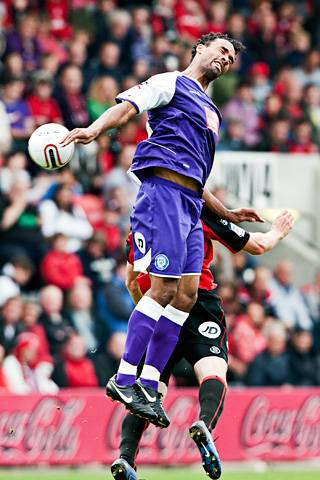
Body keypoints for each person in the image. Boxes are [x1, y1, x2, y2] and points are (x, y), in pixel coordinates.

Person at [61, 32, 263, 426]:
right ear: (200, 48)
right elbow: (128, 107)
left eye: (231, 58)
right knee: (164, 288)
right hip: (163, 194)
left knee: (186, 294)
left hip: (190, 203)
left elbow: (198, 179)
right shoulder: (170, 82)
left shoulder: (212, 111)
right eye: (220, 50)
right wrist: (93, 130)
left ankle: (150, 385)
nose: (225, 59)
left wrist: (228, 214)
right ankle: (124, 377)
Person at [111, 209, 294, 480]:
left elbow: (131, 281)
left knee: (149, 393)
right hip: (198, 304)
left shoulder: (142, 220)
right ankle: (205, 424)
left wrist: (149, 316)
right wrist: (277, 232)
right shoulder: (194, 211)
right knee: (213, 371)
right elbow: (257, 245)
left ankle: (125, 458)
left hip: (158, 307)